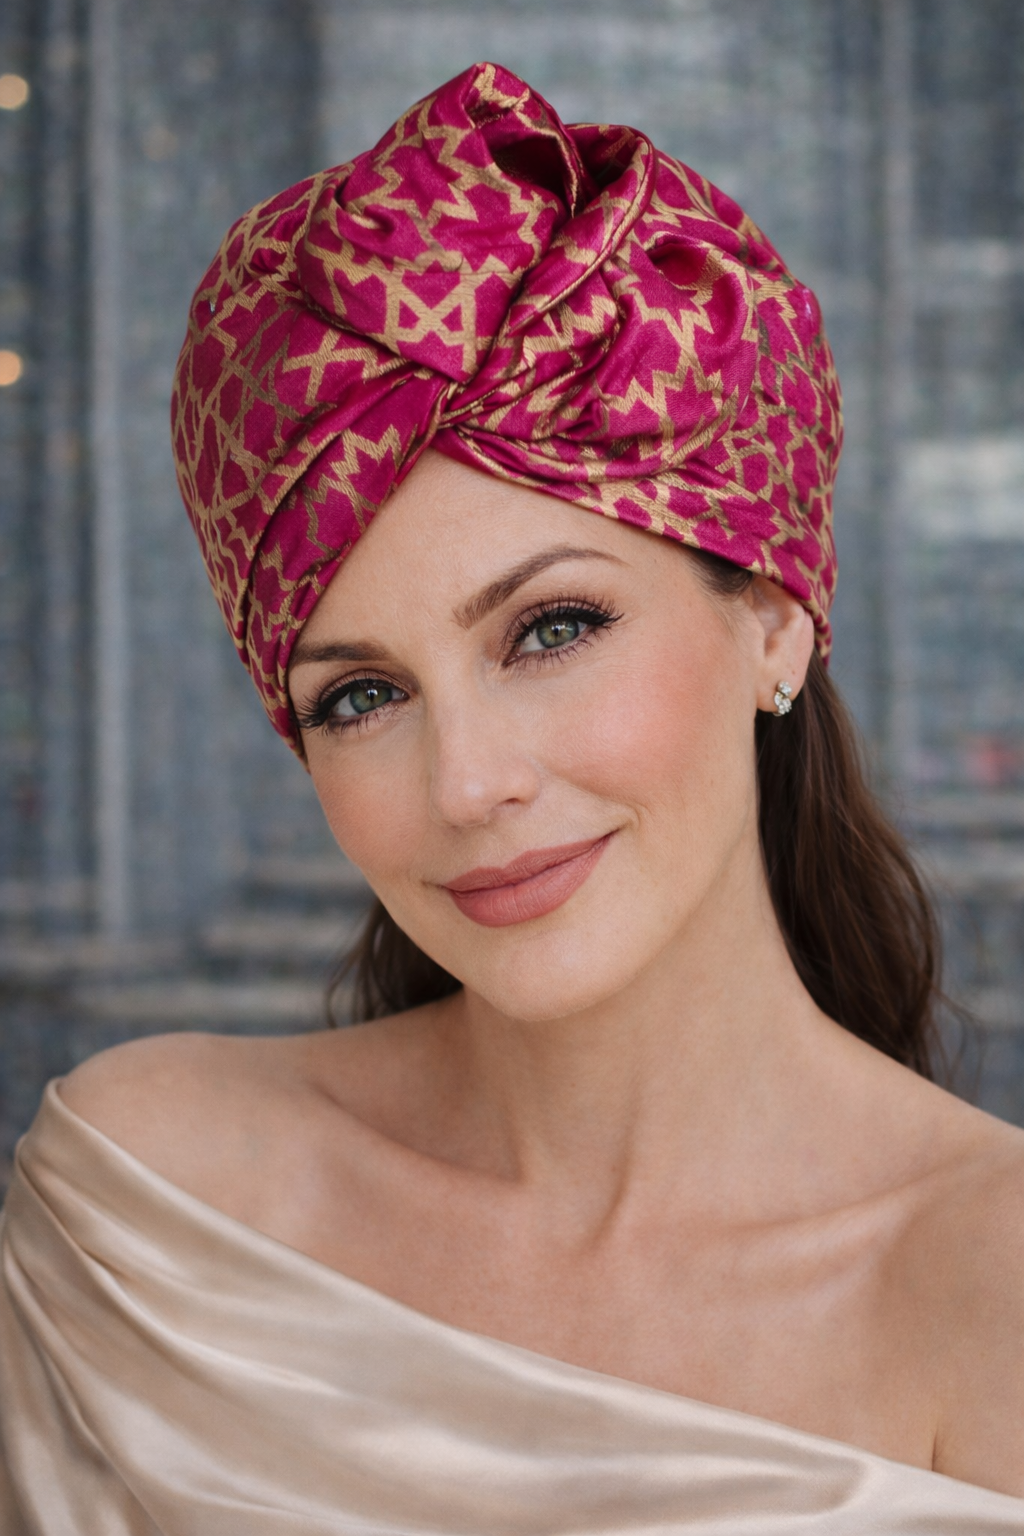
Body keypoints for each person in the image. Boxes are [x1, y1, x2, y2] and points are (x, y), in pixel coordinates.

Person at [1, 61, 1022, 1534]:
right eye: (360, 697)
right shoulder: (149, 1214)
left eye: (552, 629)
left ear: (774, 617)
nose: (469, 784)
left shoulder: (991, 1291)